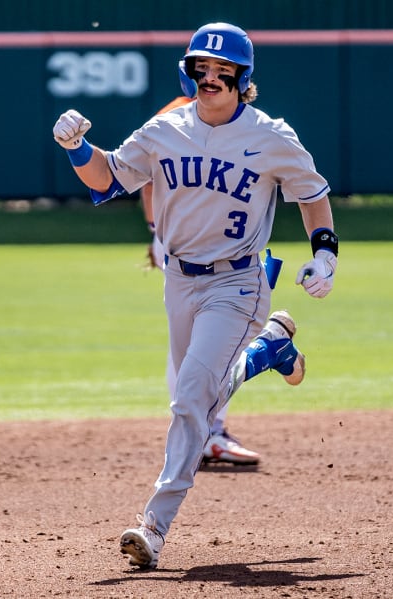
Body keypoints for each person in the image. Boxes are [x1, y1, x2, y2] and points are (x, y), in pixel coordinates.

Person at [52, 22, 338, 570]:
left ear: (242, 77)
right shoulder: (166, 129)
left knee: (189, 398)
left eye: (221, 69)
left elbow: (312, 193)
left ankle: (153, 526)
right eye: (200, 67)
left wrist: (325, 253)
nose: (209, 77)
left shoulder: (271, 136)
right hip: (179, 280)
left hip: (238, 281)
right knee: (202, 396)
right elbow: (108, 179)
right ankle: (270, 350)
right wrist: (77, 148)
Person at [141, 95, 261, 466]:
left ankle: (201, 431)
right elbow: (144, 175)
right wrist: (157, 231)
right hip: (187, 242)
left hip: (205, 241)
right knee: (207, 339)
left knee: (204, 338)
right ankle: (207, 432)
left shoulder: (221, 119)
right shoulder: (177, 115)